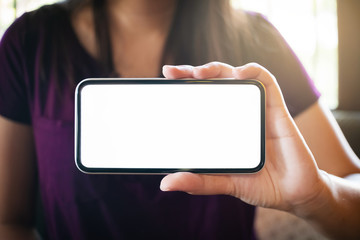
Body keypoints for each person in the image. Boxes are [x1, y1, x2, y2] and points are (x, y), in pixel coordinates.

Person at [0, 0, 359, 239]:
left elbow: (350, 186)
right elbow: (8, 220)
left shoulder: (255, 40)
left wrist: (314, 196)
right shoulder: (30, 42)